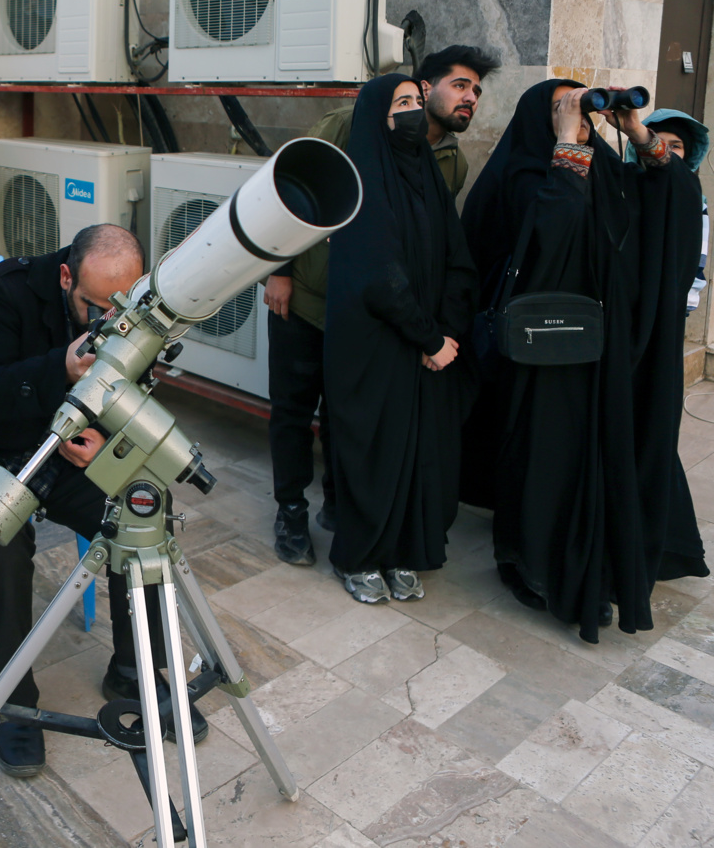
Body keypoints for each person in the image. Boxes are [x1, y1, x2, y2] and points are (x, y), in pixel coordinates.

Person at [0, 224, 205, 778]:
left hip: (63, 449)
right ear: (65, 277)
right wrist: (60, 366)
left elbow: (130, 390)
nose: (110, 322)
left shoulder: (132, 308)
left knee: (142, 510)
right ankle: (14, 702)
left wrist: (105, 443)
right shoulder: (3, 289)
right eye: (96, 307)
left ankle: (135, 670)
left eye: (122, 307)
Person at [460, 81, 708, 642]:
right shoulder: (524, 174)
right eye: (561, 106)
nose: (577, 113)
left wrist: (637, 132)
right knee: (550, 458)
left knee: (604, 454)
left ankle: (605, 559)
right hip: (552, 355)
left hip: (608, 351)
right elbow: (552, 234)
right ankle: (537, 567)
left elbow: (672, 198)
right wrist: (567, 143)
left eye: (580, 104)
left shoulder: (605, 169)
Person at [264, 45, 498, 566]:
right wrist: (279, 270)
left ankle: (342, 504)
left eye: (476, 91)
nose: (469, 98)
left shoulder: (448, 161)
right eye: (460, 85)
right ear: (427, 86)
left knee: (349, 414)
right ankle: (290, 510)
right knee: (294, 411)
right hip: (308, 300)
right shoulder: (352, 123)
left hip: (371, 319)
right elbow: (290, 185)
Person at [323, 74, 480, 604]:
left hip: (426, 345)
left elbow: (457, 256)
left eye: (417, 101)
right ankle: (360, 556)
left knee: (417, 452)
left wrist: (446, 333)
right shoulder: (363, 178)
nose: (415, 111)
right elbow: (376, 274)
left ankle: (402, 551)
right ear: (376, 116)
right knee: (374, 449)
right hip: (373, 345)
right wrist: (429, 337)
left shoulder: (428, 176)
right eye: (403, 103)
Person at [627, 110, 708, 312]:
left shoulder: (694, 201)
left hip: (669, 303)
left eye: (675, 146)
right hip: (624, 301)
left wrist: (686, 301)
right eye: (658, 142)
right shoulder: (622, 190)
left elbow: (697, 256)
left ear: (687, 152)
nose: (665, 150)